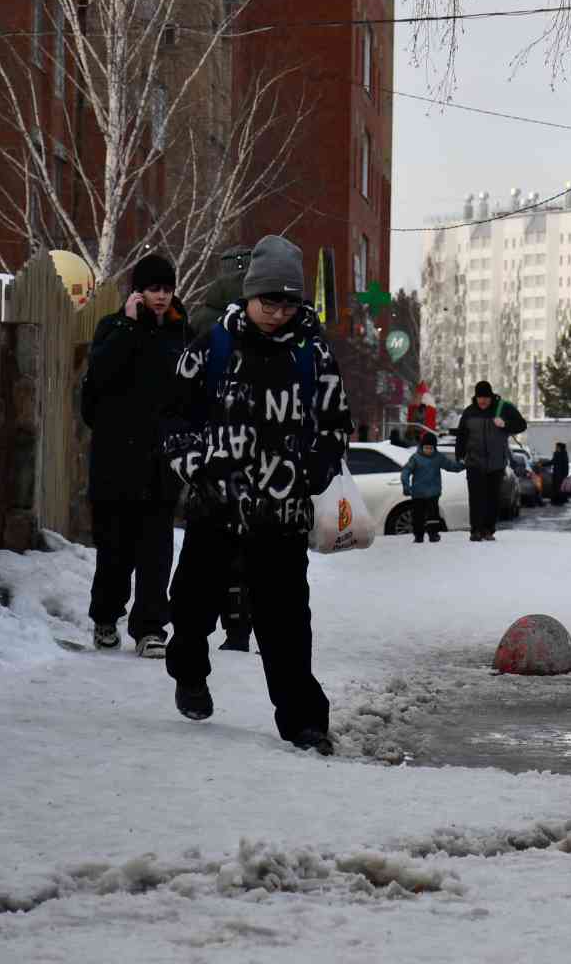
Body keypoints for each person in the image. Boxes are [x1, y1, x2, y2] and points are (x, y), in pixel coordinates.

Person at [160, 235, 352, 754]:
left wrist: (314, 467)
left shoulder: (314, 356)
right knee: (193, 606)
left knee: (287, 623)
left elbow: (336, 427)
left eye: (289, 303)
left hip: (281, 514)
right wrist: (197, 468)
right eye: (270, 301)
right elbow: (176, 419)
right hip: (216, 506)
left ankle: (305, 722)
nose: (278, 312)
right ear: (248, 295)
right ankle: (190, 671)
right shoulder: (212, 347)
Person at [80, 253, 190, 657]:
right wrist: (128, 325)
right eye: (153, 289)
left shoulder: (181, 334)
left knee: (156, 552)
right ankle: (106, 618)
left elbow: (189, 396)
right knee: (114, 549)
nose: (161, 297)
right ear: (138, 291)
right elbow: (99, 380)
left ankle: (149, 628)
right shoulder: (113, 327)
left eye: (167, 288)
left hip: (161, 463)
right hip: (116, 461)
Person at [185, 243, 255, 650]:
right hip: (255, 458)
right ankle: (240, 626)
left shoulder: (202, 325)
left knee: (209, 550)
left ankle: (201, 629)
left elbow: (183, 395)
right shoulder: (269, 324)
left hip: (213, 454)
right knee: (249, 549)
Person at [455, 380, 526, 541]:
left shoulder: (503, 408)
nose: (483, 401)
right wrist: (460, 455)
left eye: (486, 398)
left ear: (491, 396)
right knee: (476, 498)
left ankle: (489, 529)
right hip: (474, 462)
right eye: (480, 398)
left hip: (496, 463)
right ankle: (476, 530)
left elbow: (521, 425)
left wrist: (505, 424)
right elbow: (462, 435)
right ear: (476, 397)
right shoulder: (469, 412)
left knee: (492, 498)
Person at [399, 432, 464, 542]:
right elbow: (406, 471)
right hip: (418, 493)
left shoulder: (438, 458)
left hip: (433, 493)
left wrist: (462, 465)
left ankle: (433, 534)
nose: (428, 450)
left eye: (431, 448)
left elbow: (450, 466)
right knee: (418, 516)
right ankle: (418, 536)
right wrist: (406, 485)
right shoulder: (415, 458)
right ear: (422, 446)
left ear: (434, 448)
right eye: (426, 448)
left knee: (433, 515)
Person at [548, 442, 571, 507]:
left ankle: (558, 501)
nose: (556, 448)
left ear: (560, 447)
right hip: (556, 474)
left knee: (559, 488)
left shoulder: (563, 454)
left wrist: (565, 475)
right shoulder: (558, 454)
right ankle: (556, 500)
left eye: (557, 447)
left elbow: (565, 465)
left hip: (560, 474)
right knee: (555, 487)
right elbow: (553, 462)